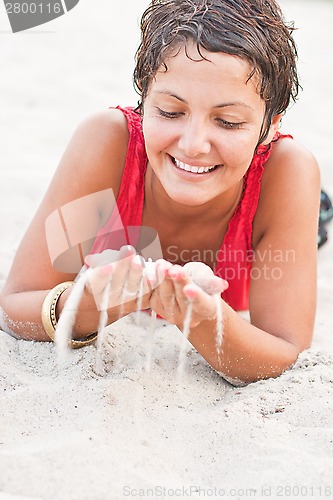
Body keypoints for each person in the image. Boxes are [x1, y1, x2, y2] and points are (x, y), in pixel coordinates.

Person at [0, 0, 321, 384]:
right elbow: (15, 304)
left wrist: (203, 320)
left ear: (270, 125)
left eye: (228, 121)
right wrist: (88, 305)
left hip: (264, 195)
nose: (193, 144)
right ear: (144, 97)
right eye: (170, 112)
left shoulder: (285, 172)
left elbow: (285, 351)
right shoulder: (109, 147)